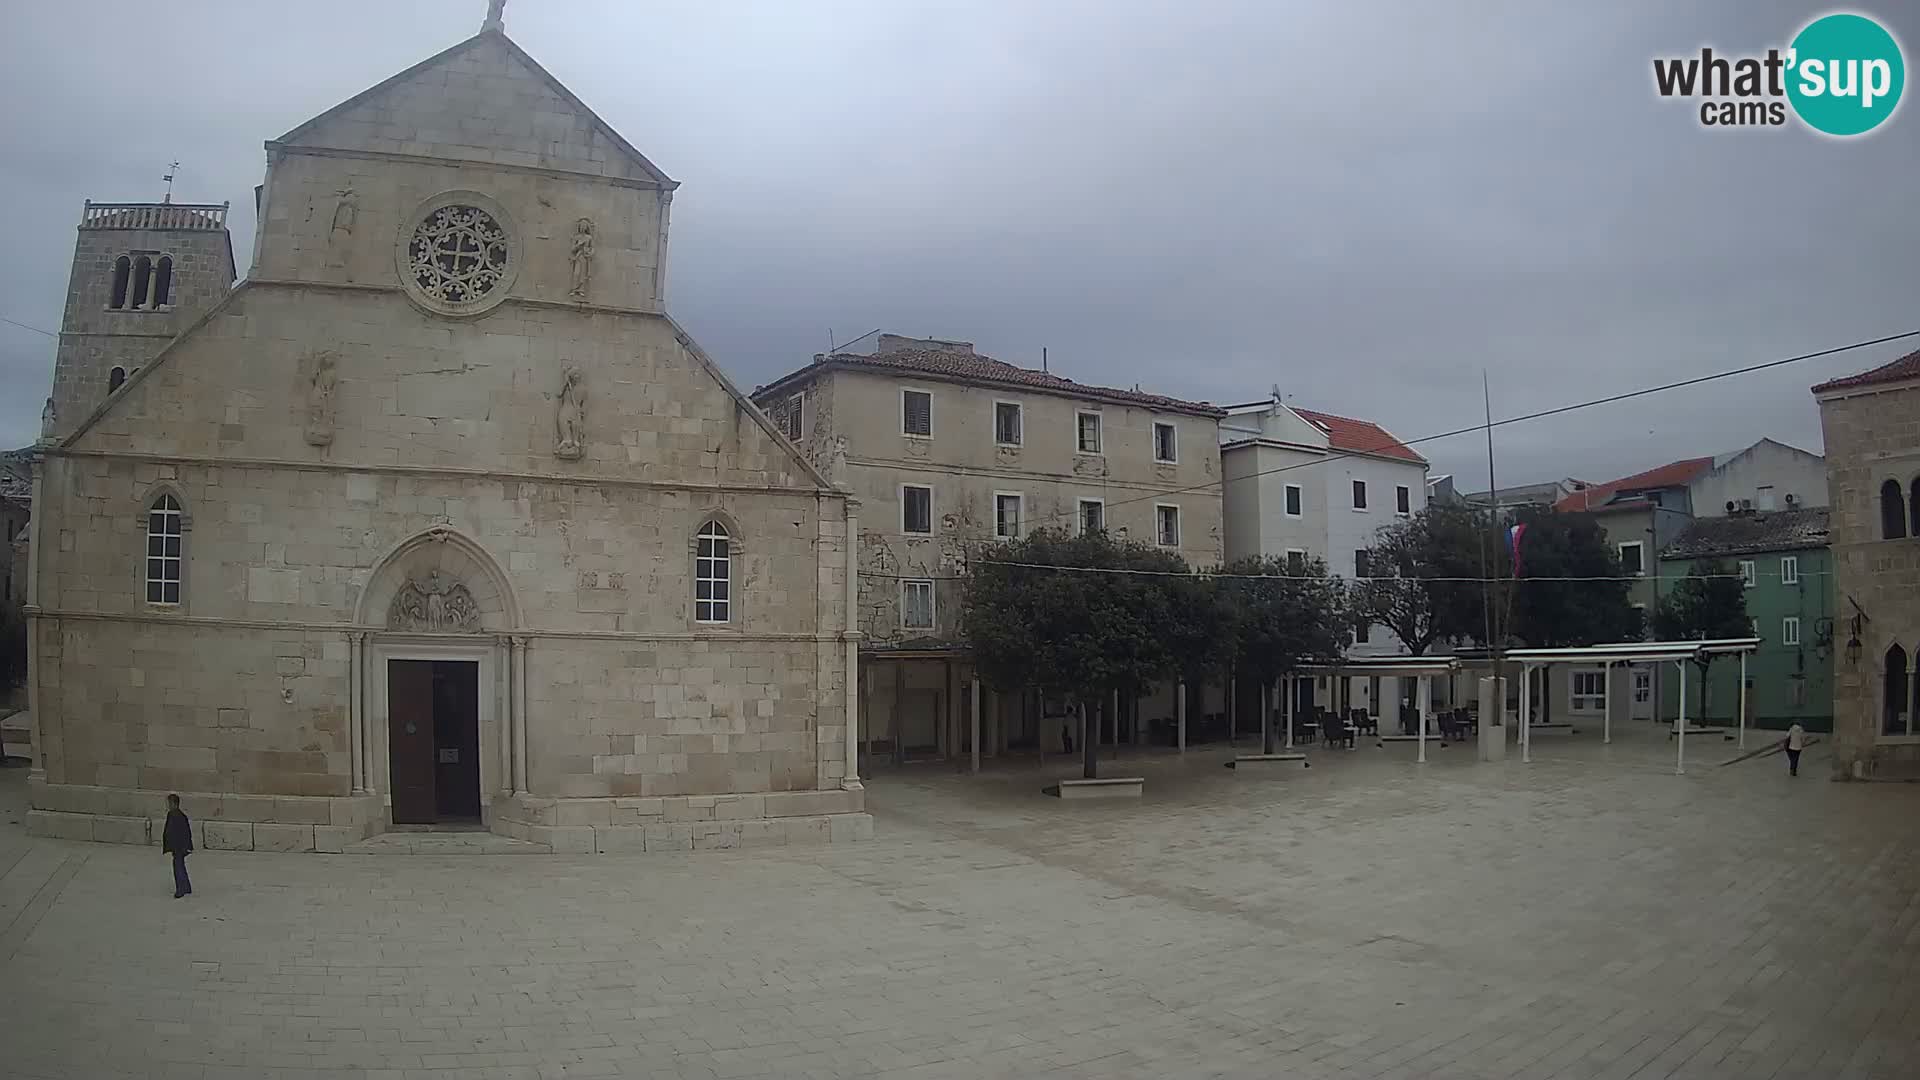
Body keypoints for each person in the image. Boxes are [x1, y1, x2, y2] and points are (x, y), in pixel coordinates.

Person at [162, 794, 193, 898]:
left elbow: (185, 833)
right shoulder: (173, 815)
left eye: (170, 803)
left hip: (179, 847)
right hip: (177, 846)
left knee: (178, 868)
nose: (168, 805)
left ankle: (181, 889)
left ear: (174, 804)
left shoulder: (178, 816)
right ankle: (186, 887)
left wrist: (186, 847)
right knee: (180, 866)